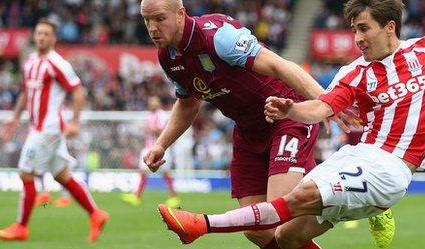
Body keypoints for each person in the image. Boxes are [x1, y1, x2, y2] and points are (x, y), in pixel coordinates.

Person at [158, 0, 425, 247]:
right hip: (359, 155)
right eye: (354, 30)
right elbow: (321, 109)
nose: (357, 39)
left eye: (364, 28)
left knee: (299, 197)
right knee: (287, 235)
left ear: (390, 27)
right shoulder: (353, 73)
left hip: (391, 168)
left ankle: (201, 225)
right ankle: (374, 211)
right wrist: (291, 109)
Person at [139, 1, 387, 248]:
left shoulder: (217, 36)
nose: (152, 28)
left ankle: (367, 204)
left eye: (159, 18)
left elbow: (281, 65)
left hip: (286, 117)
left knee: (278, 218)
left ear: (180, 14)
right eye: (147, 20)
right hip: (248, 132)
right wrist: (161, 144)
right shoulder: (168, 58)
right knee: (256, 230)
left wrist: (326, 103)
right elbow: (188, 104)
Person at [0, 18, 109, 243]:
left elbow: (78, 93)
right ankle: (96, 214)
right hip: (38, 126)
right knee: (62, 176)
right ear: (34, 36)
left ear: (54, 39)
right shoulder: (29, 62)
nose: (42, 37)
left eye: (46, 34)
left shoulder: (58, 63)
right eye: (39, 33)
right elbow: (26, 93)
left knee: (26, 173)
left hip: (49, 128)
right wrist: (15, 117)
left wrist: (75, 122)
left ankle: (21, 226)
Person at [121, 96, 181, 208]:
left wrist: (148, 128)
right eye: (150, 102)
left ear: (158, 103)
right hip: (147, 147)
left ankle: (174, 197)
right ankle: (136, 196)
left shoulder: (161, 115)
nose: (151, 104)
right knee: (143, 171)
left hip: (160, 147)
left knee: (166, 172)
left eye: (153, 102)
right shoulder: (149, 116)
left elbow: (161, 130)